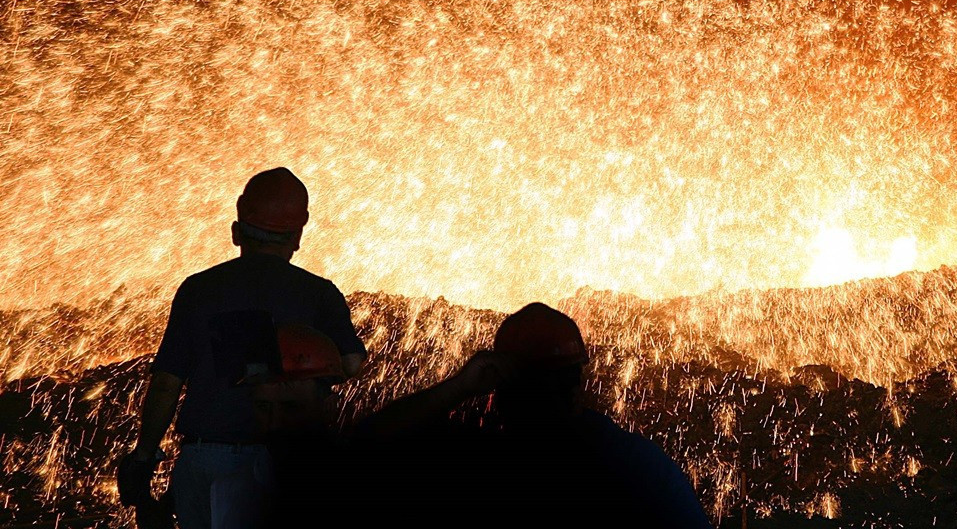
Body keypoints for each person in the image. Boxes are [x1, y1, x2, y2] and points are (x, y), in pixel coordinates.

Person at [116, 167, 367, 529]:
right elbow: (352, 363)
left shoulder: (198, 289)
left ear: (236, 231)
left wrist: (143, 457)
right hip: (277, 464)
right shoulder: (317, 292)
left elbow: (167, 382)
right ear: (297, 236)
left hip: (202, 461)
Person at [359, 302, 711, 529]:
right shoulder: (631, 460)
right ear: (578, 385)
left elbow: (362, 446)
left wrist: (458, 387)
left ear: (500, 386)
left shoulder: (468, 452)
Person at [211, 323, 350, 529]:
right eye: (263, 407)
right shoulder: (228, 492)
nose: (275, 423)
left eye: (291, 407)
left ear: (329, 407)